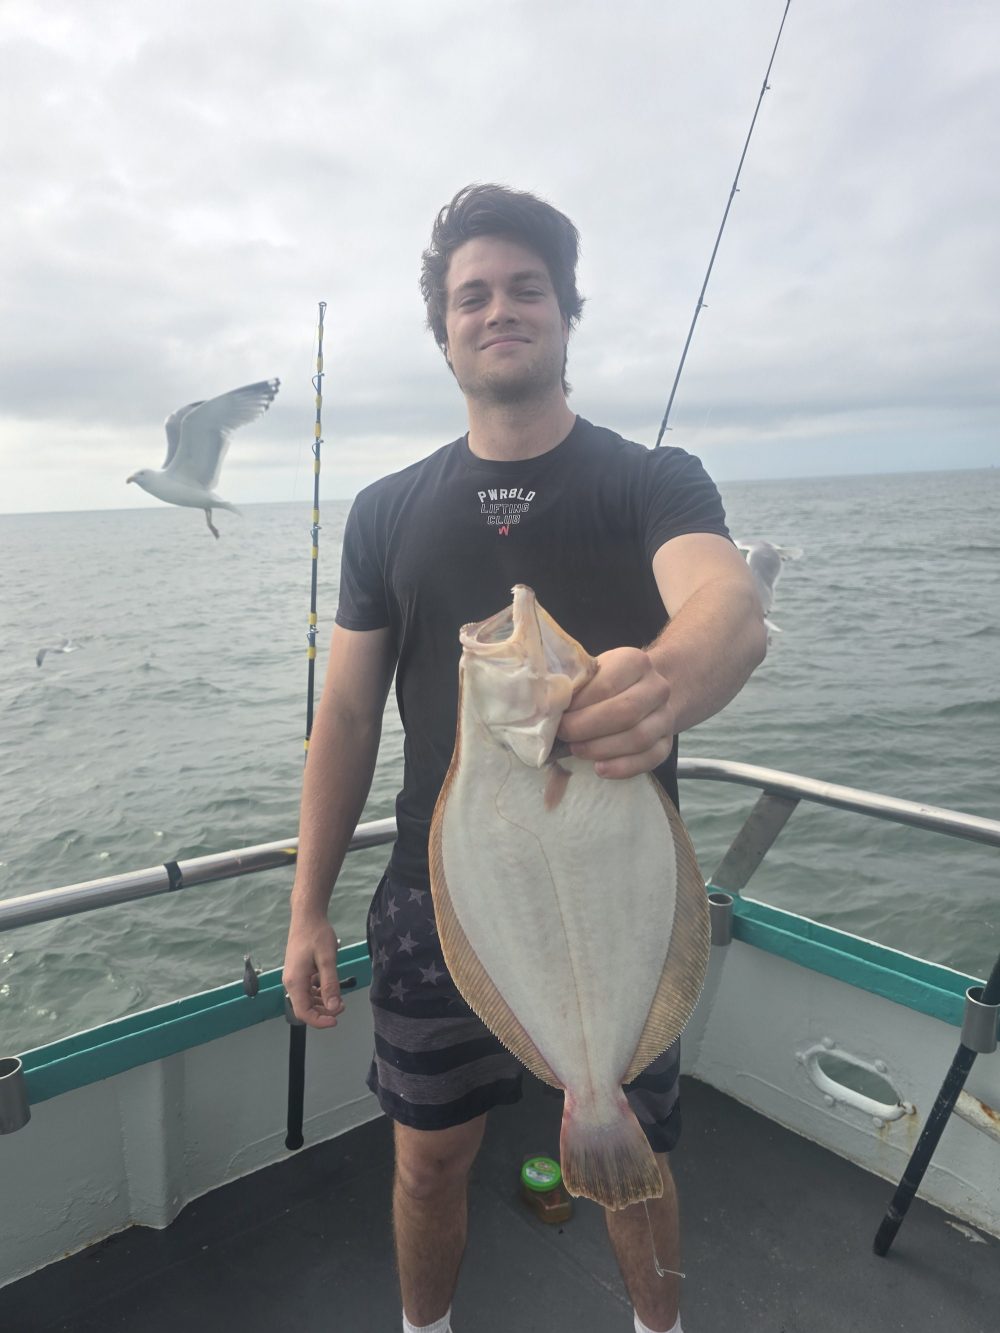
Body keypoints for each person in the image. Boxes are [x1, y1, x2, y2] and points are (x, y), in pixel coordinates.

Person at [283, 183, 767, 1333]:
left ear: (564, 312)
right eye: (471, 295)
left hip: (618, 894)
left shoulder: (652, 479)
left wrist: (663, 682)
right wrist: (306, 906)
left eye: (525, 288)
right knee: (426, 1162)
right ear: (444, 330)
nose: (498, 309)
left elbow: (730, 609)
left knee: (633, 1161)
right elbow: (346, 716)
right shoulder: (385, 510)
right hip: (437, 894)